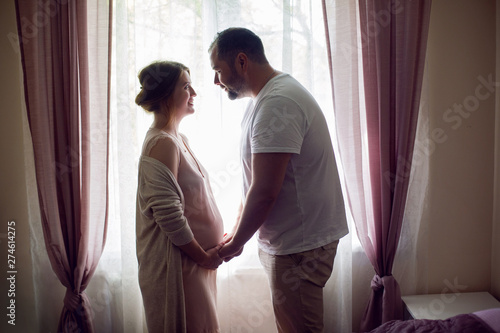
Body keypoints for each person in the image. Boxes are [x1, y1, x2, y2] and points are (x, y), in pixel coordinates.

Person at [209, 28, 349, 333]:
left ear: (242, 61)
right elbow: (254, 184)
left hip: (299, 246)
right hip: (293, 242)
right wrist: (235, 232)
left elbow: (264, 193)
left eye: (218, 70)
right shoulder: (263, 101)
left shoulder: (277, 104)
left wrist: (236, 244)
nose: (215, 81)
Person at [135, 60, 224, 333]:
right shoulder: (162, 144)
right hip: (182, 267)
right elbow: (169, 216)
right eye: (186, 86)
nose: (194, 92)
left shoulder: (179, 139)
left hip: (196, 264)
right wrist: (203, 257)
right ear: (165, 96)